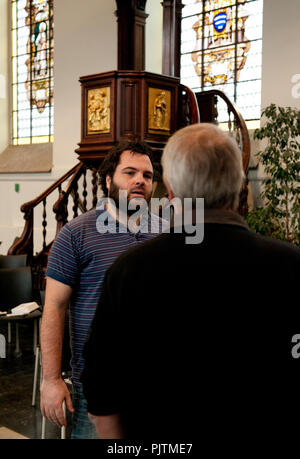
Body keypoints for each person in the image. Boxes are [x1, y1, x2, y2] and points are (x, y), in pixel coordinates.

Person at [81, 123, 300, 447]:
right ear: (240, 184)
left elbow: (102, 397)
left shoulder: (130, 270)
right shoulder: (290, 264)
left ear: (169, 189)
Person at [40, 141, 164, 439]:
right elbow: (54, 307)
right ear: (108, 180)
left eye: (147, 175)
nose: (140, 181)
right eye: (130, 172)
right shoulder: (76, 233)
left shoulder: (166, 231)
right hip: (97, 387)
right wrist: (52, 379)